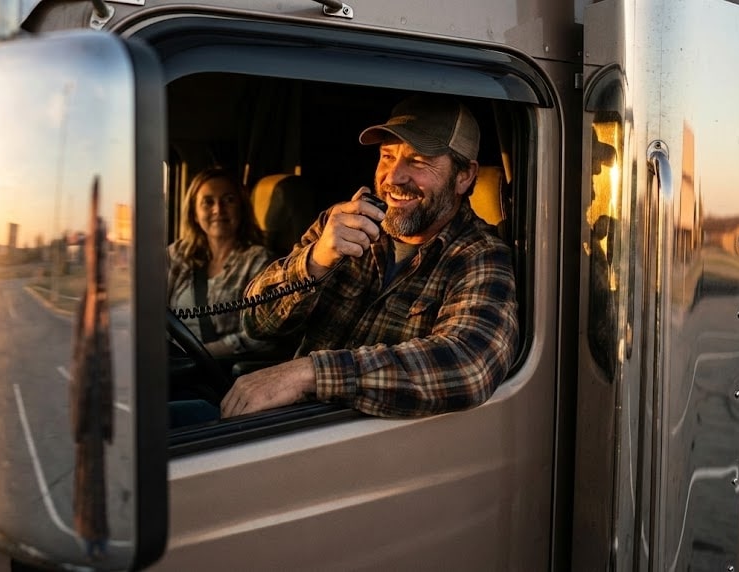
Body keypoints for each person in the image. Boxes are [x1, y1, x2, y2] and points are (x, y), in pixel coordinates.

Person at [221, 94, 519, 419]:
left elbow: (468, 366)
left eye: (418, 161)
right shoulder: (340, 224)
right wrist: (316, 261)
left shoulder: (479, 256)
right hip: (287, 426)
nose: (393, 177)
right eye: (387, 156)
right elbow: (254, 322)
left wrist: (309, 374)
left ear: (464, 176)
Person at [167, 167, 274, 357]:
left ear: (242, 208)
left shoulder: (257, 260)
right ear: (194, 213)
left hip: (218, 371)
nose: (218, 209)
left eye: (229, 200)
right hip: (172, 365)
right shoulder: (179, 254)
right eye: (208, 202)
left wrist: (201, 355)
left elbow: (262, 335)